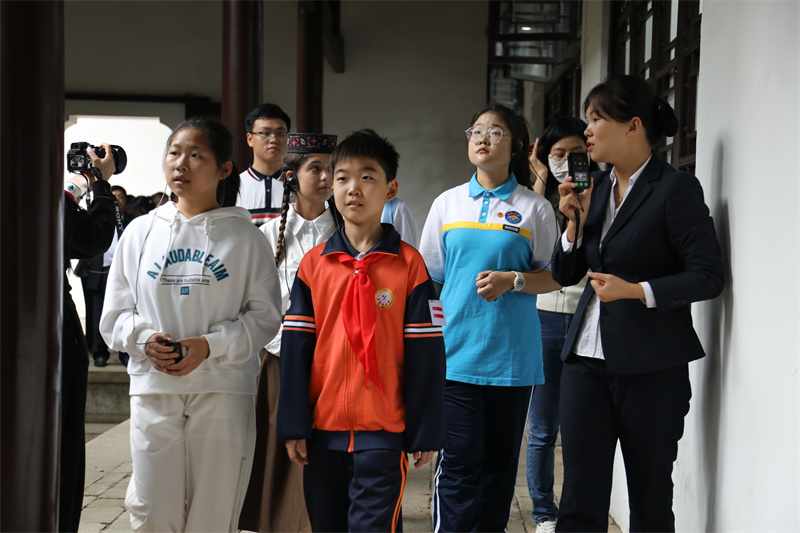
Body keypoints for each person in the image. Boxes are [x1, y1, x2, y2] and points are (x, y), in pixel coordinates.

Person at [551, 75, 724, 532]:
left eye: (596, 119)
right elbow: (564, 274)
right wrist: (572, 225)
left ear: (633, 125)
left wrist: (636, 291)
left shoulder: (675, 189)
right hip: (584, 361)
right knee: (579, 496)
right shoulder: (594, 188)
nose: (587, 131)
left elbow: (708, 276)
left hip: (652, 366)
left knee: (649, 496)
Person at [100, 117, 282, 532]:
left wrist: (210, 345)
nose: (180, 163)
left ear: (223, 169)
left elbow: (265, 317)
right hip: (154, 388)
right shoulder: (140, 233)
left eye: (196, 155)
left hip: (223, 387)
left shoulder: (246, 238)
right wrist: (144, 339)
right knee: (152, 509)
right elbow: (114, 315)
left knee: (214, 509)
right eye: (174, 153)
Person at [277, 129, 446, 532]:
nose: (353, 188)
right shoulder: (314, 266)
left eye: (367, 177)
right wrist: (294, 424)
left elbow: (426, 352)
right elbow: (296, 350)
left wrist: (425, 429)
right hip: (322, 432)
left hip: (384, 433)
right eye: (343, 178)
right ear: (332, 188)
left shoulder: (410, 266)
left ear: (391, 189)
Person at [419, 104, 560, 533]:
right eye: (476, 130)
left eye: (495, 132)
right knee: (459, 463)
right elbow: (429, 281)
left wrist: (513, 280)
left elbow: (553, 276)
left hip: (512, 360)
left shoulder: (535, 208)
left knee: (499, 472)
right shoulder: (448, 204)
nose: (482, 138)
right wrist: (427, 345)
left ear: (516, 146)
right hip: (456, 357)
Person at [239, 132, 338, 533]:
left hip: (335, 363)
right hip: (280, 360)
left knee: (326, 458)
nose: (326, 177)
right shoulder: (265, 236)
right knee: (278, 460)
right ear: (291, 176)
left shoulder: (346, 233)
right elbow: (254, 304)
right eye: (316, 168)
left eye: (332, 169)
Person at [525, 117, 596, 533]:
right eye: (558, 154)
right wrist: (539, 175)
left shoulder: (599, 193)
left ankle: (574, 509)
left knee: (582, 426)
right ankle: (543, 513)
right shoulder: (538, 200)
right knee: (543, 426)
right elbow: (529, 242)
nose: (568, 161)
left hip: (588, 315)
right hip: (545, 317)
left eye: (576, 153)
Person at [62, 143, 119, 531]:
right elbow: (93, 236)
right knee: (64, 435)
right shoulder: (34, 185)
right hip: (46, 316)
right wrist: (99, 183)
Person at [236, 103, 292, 226]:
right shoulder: (235, 186)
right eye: (265, 133)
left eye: (280, 134)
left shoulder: (297, 186)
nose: (274, 140)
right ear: (250, 139)